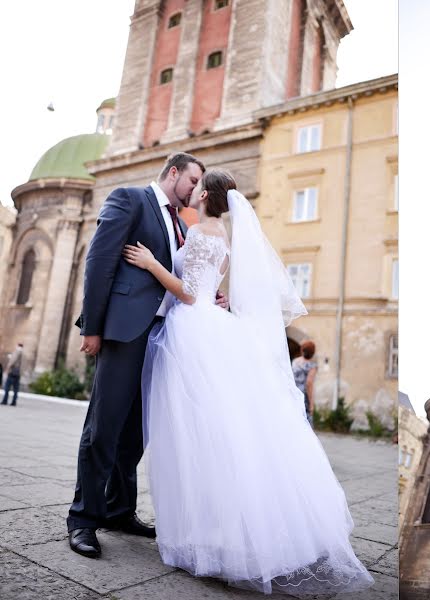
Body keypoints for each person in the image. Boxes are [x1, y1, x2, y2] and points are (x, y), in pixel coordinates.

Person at [122, 169, 373, 594]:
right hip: (208, 325)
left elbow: (187, 292)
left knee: (195, 435)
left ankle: (206, 537)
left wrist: (150, 264)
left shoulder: (202, 232)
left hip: (191, 330)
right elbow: (209, 289)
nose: (194, 187)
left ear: (204, 193)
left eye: (199, 183)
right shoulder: (221, 236)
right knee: (218, 433)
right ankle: (224, 533)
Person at [67, 153, 229, 559]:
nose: (196, 188)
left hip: (163, 338)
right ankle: (84, 519)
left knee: (137, 432)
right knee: (103, 428)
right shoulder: (130, 199)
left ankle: (119, 510)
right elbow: (100, 262)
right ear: (173, 173)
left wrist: (212, 297)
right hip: (125, 333)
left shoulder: (180, 222)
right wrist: (93, 327)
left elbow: (187, 280)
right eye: (192, 180)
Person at [292, 340, 318, 425]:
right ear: (312, 353)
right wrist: (311, 404)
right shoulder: (312, 366)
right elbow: (309, 383)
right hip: (304, 397)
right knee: (305, 423)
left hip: (293, 394)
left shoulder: (295, 362)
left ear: (302, 350)